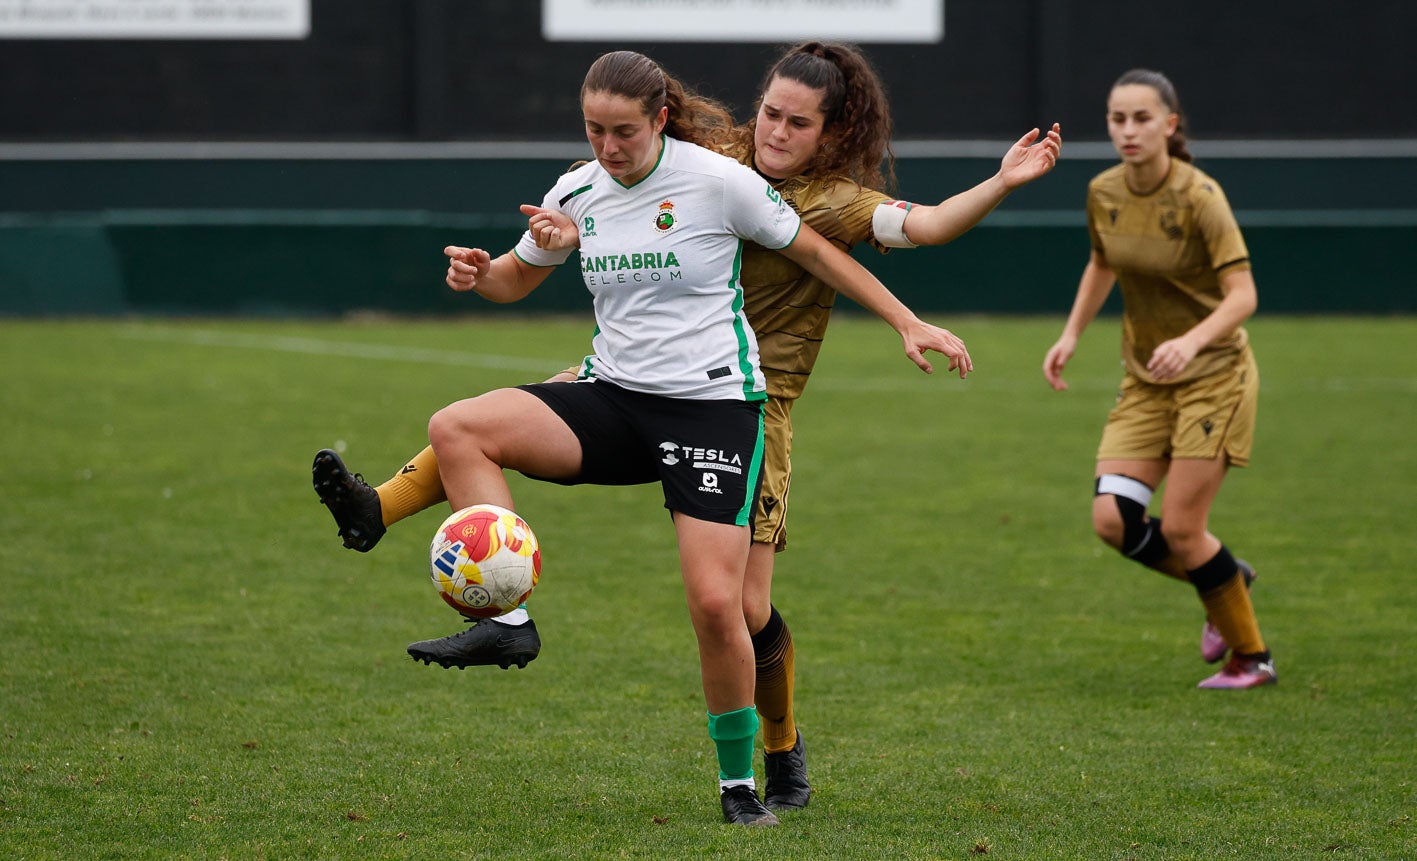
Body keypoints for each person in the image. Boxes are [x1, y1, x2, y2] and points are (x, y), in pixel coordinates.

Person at [314, 41, 1061, 812]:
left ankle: (772, 754)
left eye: (797, 122)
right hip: (624, 381)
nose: (775, 131)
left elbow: (911, 230)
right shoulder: (636, 172)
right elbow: (536, 259)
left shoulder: (787, 193)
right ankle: (463, 580)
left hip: (734, 401)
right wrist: (491, 269)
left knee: (734, 608)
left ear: (832, 132)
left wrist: (925, 295)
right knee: (467, 424)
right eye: (769, 112)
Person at [1041, 68, 1274, 690]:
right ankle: (1225, 577)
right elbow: (1102, 263)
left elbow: (1244, 294)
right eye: (1117, 119)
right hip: (1147, 379)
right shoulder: (1103, 191)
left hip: (1214, 376)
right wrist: (1071, 334)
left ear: (1170, 125)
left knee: (1180, 528)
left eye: (1142, 118)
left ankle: (1252, 658)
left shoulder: (1201, 197)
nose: (1128, 130)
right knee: (1113, 519)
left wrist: (1192, 340)